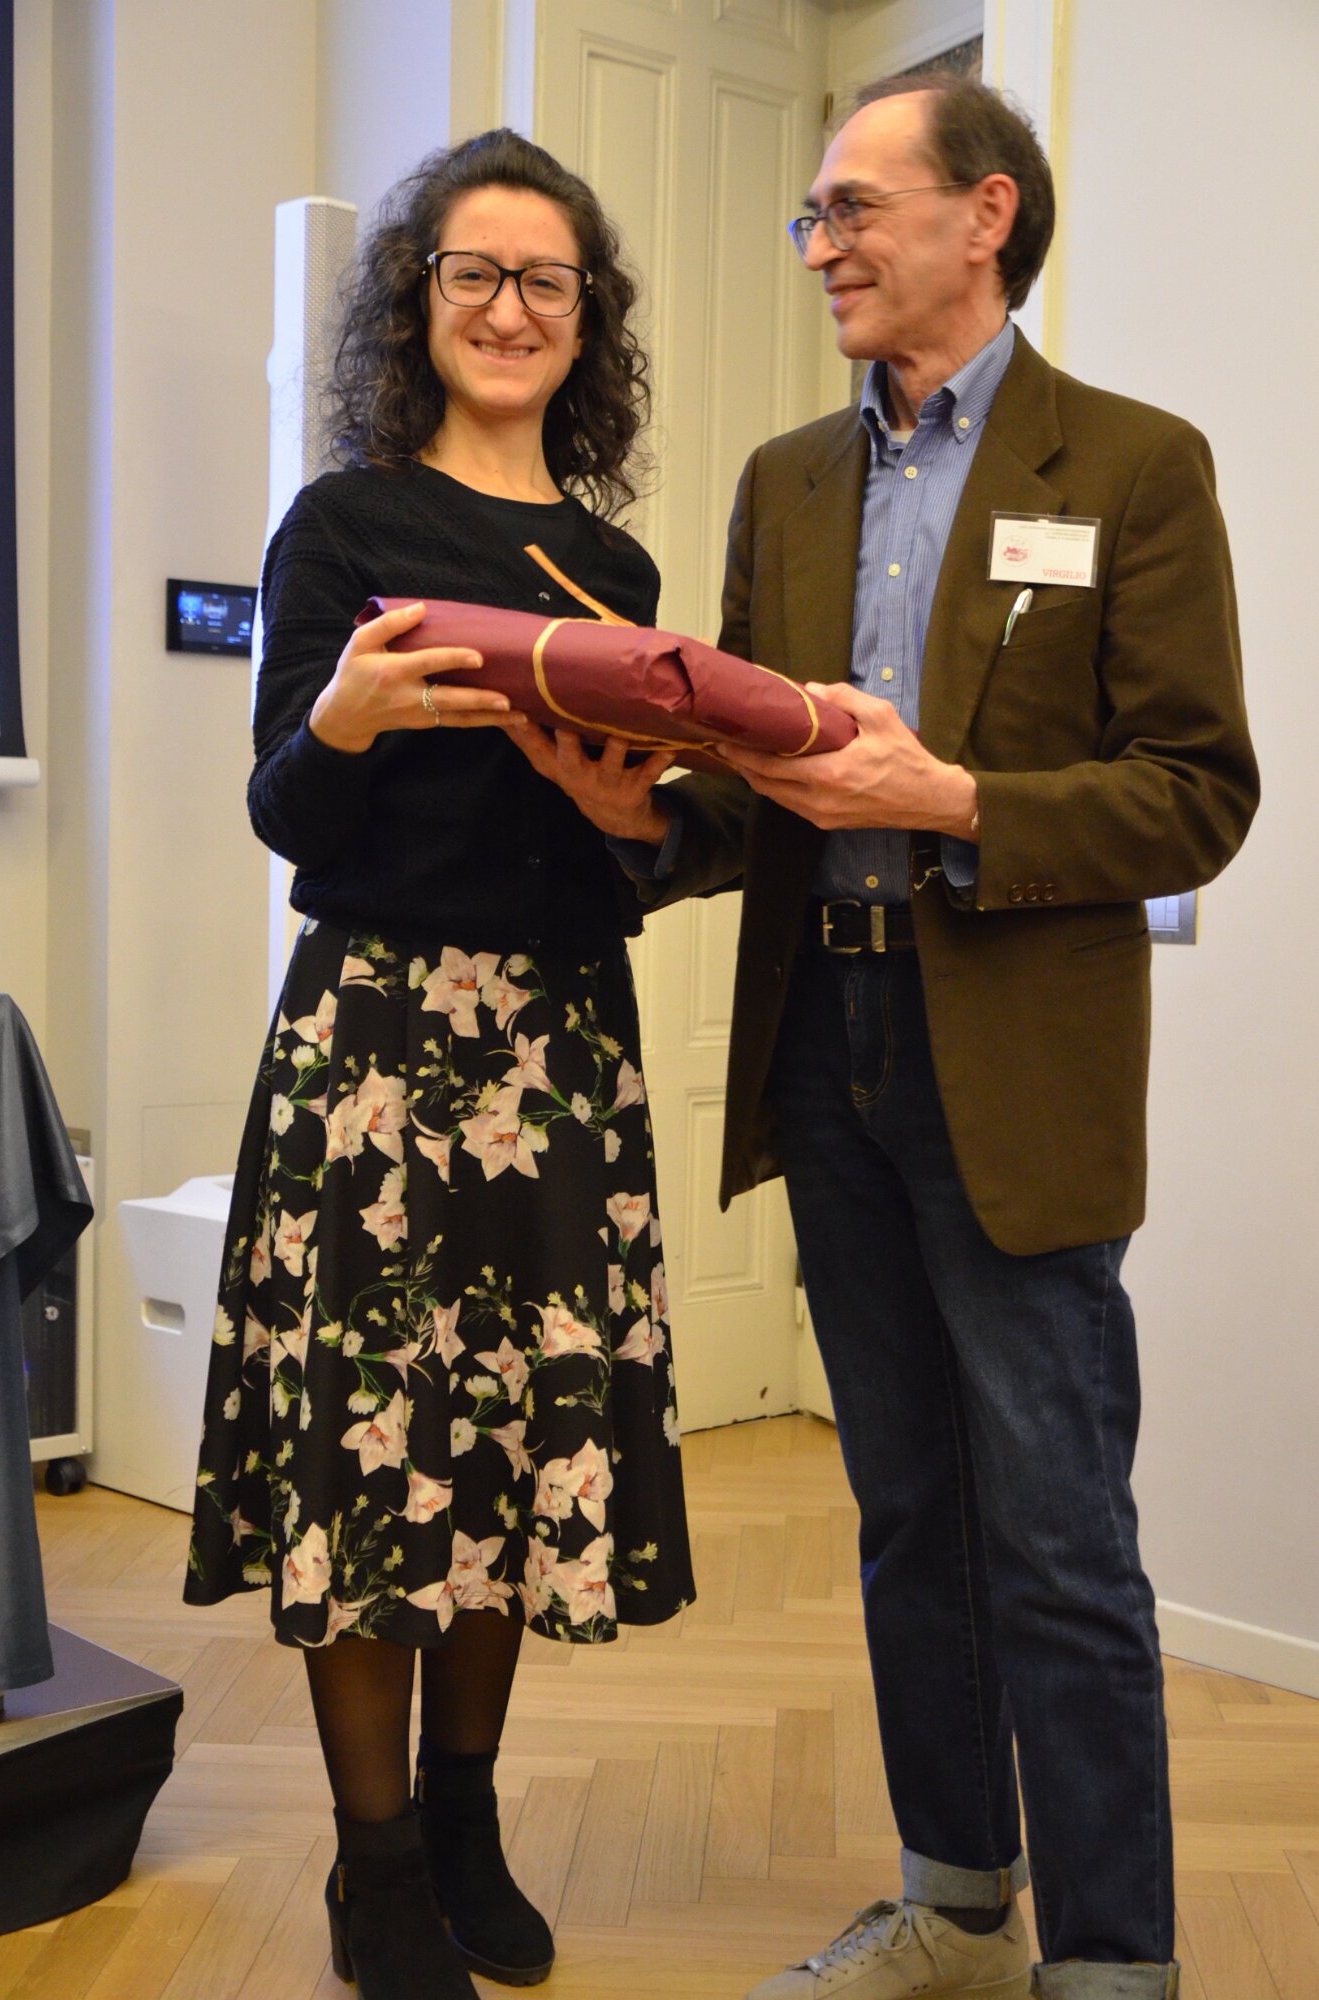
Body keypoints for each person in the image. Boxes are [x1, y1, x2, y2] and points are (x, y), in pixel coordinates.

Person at [522, 70, 1258, 2000]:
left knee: (1057, 1544)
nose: (820, 248)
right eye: (814, 216)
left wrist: (954, 802)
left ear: (982, 215)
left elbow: (1195, 796)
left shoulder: (1132, 464)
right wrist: (639, 819)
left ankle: (1112, 1967)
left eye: (850, 207)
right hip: (823, 1046)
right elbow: (748, 789)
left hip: (1013, 1071)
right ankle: (954, 1907)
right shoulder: (786, 480)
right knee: (907, 1512)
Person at [184, 128, 694, 2000]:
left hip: (558, 1047)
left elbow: (632, 858)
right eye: (472, 274)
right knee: (370, 1454)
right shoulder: (340, 526)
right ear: (417, 305)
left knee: (517, 1446)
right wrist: (338, 716)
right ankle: (375, 1863)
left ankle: (466, 1824)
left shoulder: (613, 564)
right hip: (380, 1044)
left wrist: (631, 812)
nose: (508, 308)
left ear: (586, 320)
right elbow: (284, 814)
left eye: (545, 280)